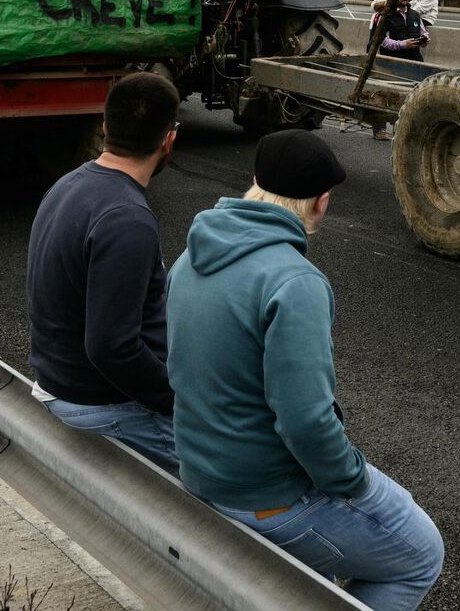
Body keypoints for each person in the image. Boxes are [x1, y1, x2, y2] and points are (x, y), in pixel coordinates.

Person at [166, 130, 445, 611]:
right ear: (322, 202)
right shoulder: (294, 281)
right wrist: (352, 481)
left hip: (200, 475)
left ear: (255, 181)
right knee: (420, 552)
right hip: (268, 493)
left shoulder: (189, 258)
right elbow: (305, 421)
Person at [25, 72, 182, 473]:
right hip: (101, 404)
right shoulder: (127, 218)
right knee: (242, 481)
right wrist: (179, 401)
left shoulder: (66, 185)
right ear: (169, 140)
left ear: (106, 125)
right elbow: (112, 348)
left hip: (57, 381)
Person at [368, 0, 429, 140]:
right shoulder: (384, 15)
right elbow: (381, 39)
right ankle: (380, 128)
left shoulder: (415, 14)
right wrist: (402, 45)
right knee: (385, 94)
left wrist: (425, 39)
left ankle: (404, 129)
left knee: (414, 95)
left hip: (414, 61)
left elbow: (423, 32)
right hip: (392, 62)